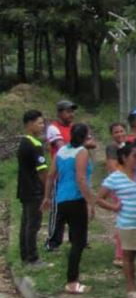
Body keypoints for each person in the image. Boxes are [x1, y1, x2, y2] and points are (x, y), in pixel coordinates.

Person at [96, 143, 136, 298]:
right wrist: (114, 207)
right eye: (134, 156)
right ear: (124, 158)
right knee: (128, 256)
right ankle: (131, 287)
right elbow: (99, 198)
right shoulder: (115, 177)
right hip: (128, 223)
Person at [42, 123, 94, 294]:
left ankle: (72, 278)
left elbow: (50, 176)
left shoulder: (62, 151)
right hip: (76, 199)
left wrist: (47, 197)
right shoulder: (82, 152)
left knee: (73, 241)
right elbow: (80, 179)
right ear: (85, 136)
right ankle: (72, 281)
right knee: (78, 242)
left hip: (61, 199)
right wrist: (90, 201)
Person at [44, 99, 78, 252]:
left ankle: (76, 238)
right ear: (59, 113)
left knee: (76, 207)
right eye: (68, 111)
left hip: (75, 173)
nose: (71, 114)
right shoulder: (53, 128)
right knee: (58, 209)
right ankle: (52, 241)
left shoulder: (73, 128)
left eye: (72, 111)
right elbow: (61, 147)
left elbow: (90, 142)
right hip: (60, 174)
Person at [16, 110, 48, 267]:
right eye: (40, 123)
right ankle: (33, 258)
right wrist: (48, 189)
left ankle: (25, 256)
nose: (42, 126)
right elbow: (41, 170)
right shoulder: (35, 144)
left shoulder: (23, 142)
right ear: (30, 124)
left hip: (24, 189)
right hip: (34, 190)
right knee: (33, 224)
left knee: (26, 223)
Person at [104, 121, 129, 267]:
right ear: (112, 135)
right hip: (119, 186)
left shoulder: (126, 146)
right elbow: (113, 168)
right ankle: (119, 255)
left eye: (121, 131)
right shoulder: (112, 148)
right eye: (116, 132)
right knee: (123, 219)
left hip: (126, 184)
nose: (120, 134)